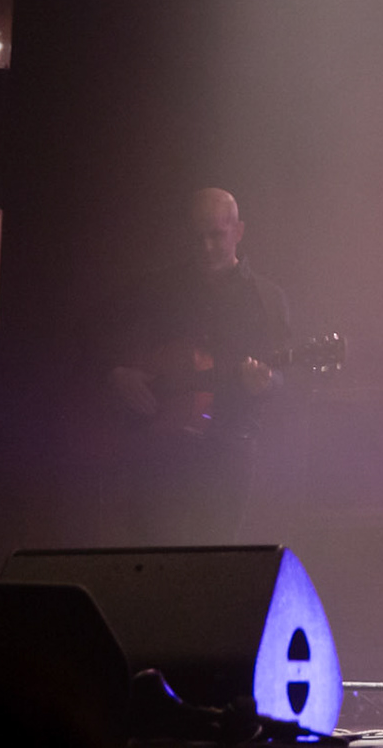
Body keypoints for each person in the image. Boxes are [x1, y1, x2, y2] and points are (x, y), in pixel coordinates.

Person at [106, 188, 291, 544]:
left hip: (229, 450)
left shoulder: (266, 298)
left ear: (238, 231)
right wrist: (119, 373)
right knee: (155, 557)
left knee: (215, 559)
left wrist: (266, 382)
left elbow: (286, 379)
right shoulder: (161, 289)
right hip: (160, 450)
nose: (205, 246)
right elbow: (113, 341)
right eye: (198, 236)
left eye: (216, 235)